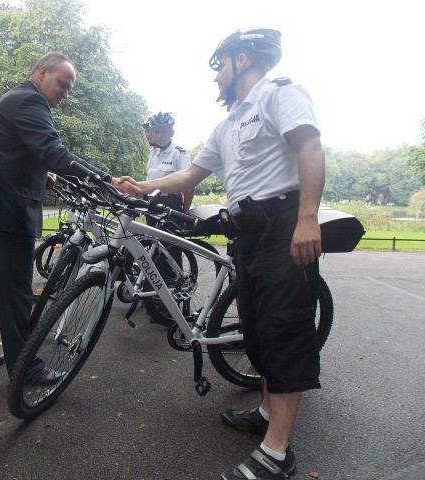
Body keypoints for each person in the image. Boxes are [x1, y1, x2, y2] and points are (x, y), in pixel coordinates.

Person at [137, 28, 325, 480]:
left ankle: (278, 454)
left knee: (283, 330)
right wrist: (140, 186)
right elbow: (189, 177)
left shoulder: (279, 95)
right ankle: (265, 412)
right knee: (256, 330)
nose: (216, 76)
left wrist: (307, 218)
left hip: (283, 224)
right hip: (247, 233)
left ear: (243, 60)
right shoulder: (227, 123)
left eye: (220, 65)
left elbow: (311, 147)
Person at [0, 51, 141, 381]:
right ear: (43, 72)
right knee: (15, 294)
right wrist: (105, 179)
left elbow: (14, 151)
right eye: (63, 84)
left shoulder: (16, 98)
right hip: (7, 211)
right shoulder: (31, 103)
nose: (65, 93)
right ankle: (25, 368)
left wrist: (40, 173)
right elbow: (52, 150)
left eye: (70, 88)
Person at [144, 111, 194, 225]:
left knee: (168, 241)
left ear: (172, 133)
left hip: (170, 204)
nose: (160, 136)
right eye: (157, 131)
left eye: (164, 131)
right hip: (151, 203)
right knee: (151, 239)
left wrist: (184, 214)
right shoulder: (153, 154)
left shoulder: (178, 153)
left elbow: (190, 187)